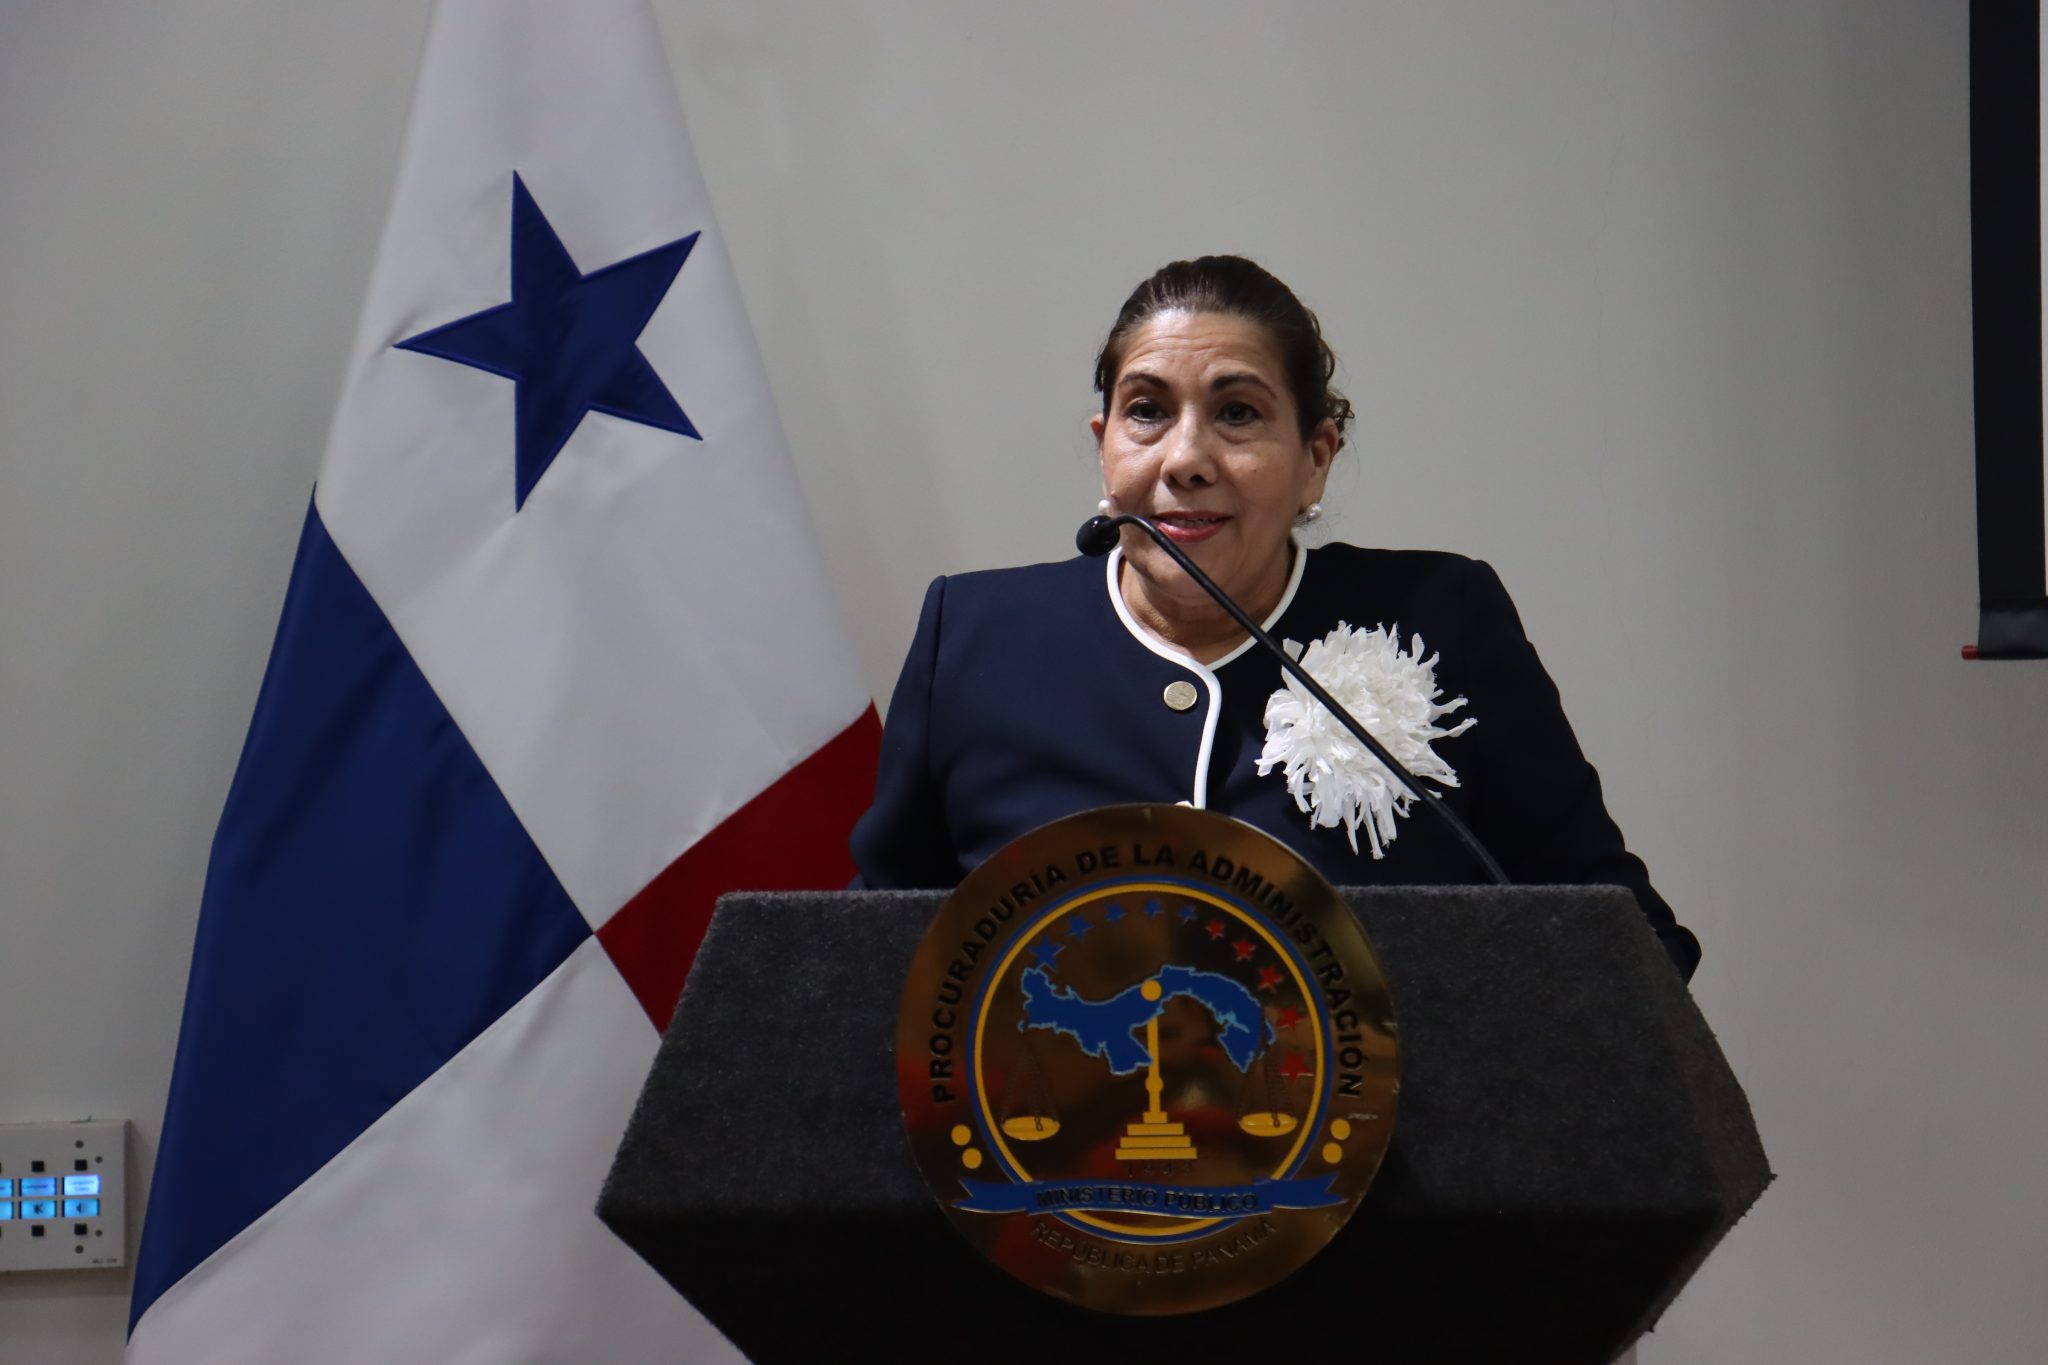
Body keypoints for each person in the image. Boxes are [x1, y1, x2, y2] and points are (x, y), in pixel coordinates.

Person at [851, 255, 1699, 980]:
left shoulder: (1442, 620)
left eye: (1238, 413)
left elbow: (1630, 945)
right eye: (1147, 411)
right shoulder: (974, 639)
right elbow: (867, 960)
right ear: (1105, 444)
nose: (1186, 458)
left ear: (1315, 458)